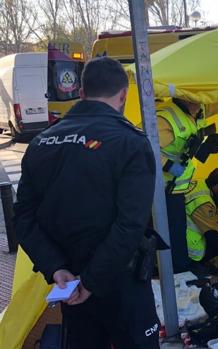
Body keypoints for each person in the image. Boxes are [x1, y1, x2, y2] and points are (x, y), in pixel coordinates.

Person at [14, 57, 160, 348]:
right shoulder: (130, 143)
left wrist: (56, 267)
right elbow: (130, 225)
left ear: (80, 92)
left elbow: (23, 218)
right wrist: (91, 281)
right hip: (118, 282)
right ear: (123, 95)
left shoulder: (41, 142)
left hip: (68, 282)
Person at [156, 96, 218, 272]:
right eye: (196, 100)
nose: (200, 106)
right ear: (185, 99)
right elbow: (142, 149)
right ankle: (176, 271)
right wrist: (167, 165)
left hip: (175, 188)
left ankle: (180, 269)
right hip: (158, 189)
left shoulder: (197, 110)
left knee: (177, 230)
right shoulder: (164, 119)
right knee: (169, 232)